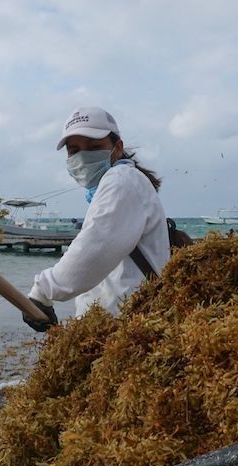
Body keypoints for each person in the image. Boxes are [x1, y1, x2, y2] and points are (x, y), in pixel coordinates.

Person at [23, 106, 171, 331]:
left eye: (94, 147)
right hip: (120, 326)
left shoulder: (121, 181)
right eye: (74, 150)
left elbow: (92, 250)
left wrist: (42, 291)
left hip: (132, 331)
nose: (83, 157)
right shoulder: (115, 185)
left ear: (117, 148)